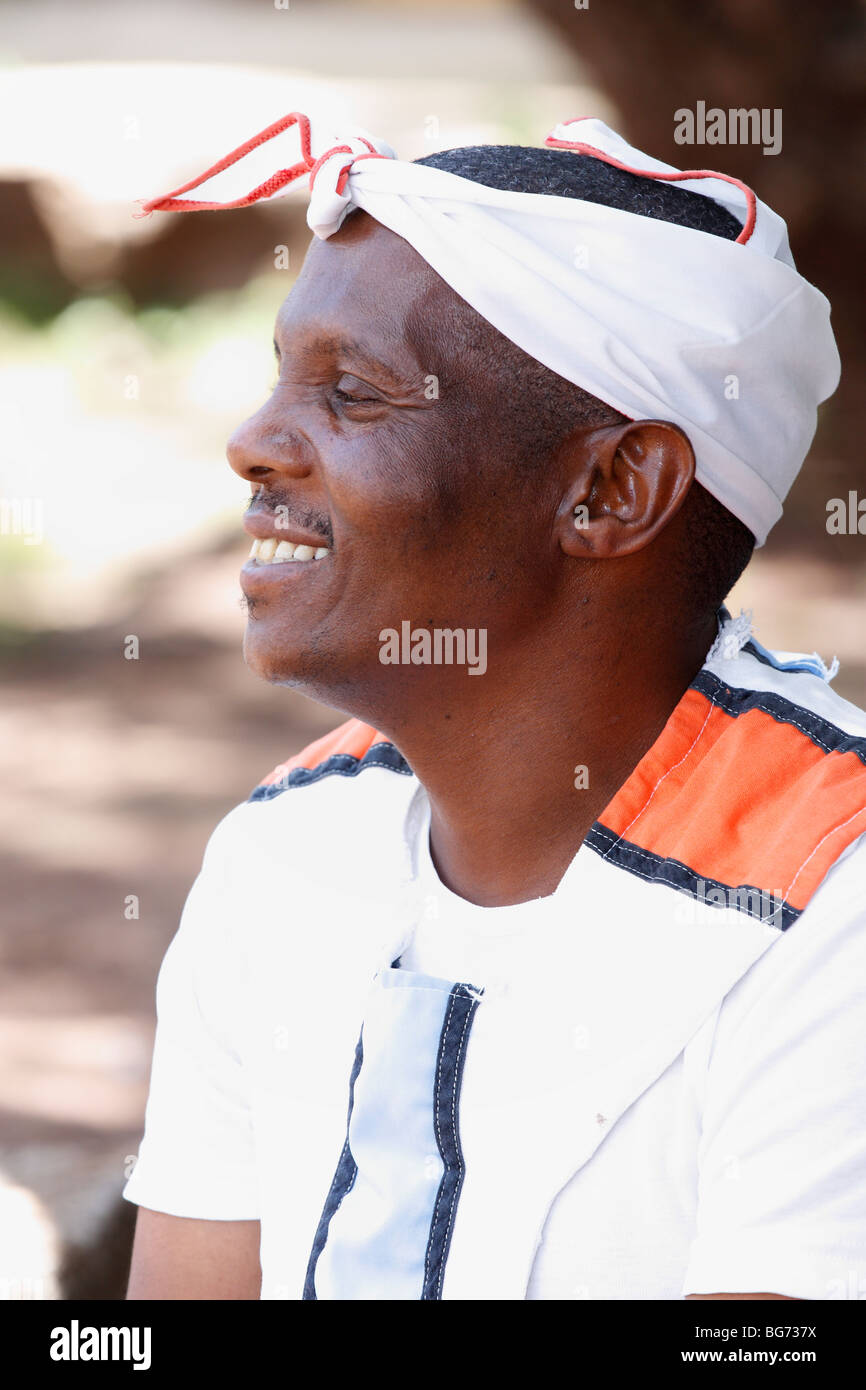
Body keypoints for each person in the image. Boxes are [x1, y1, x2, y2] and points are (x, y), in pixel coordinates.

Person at [123, 114, 865, 1301]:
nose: (252, 441)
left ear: (611, 490)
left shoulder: (831, 903)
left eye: (352, 394)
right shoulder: (286, 847)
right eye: (280, 377)